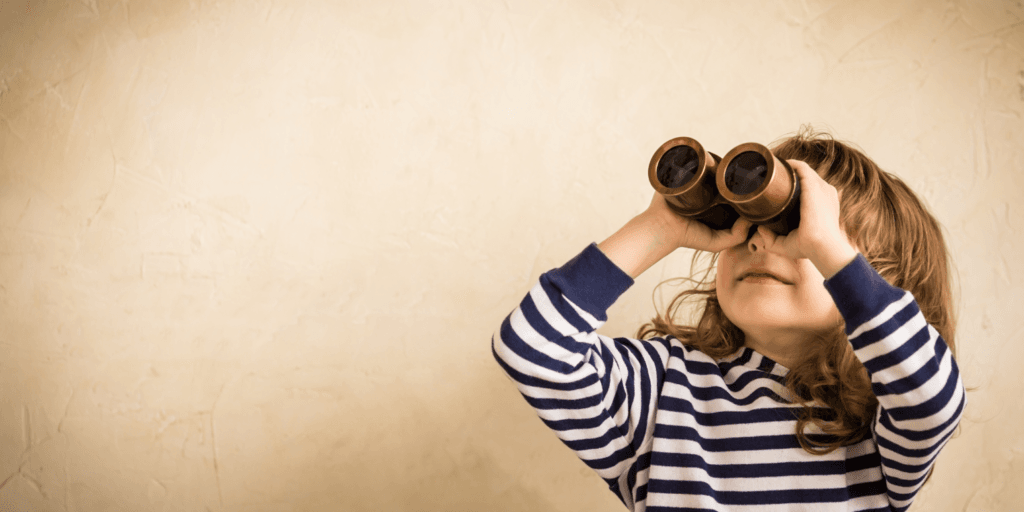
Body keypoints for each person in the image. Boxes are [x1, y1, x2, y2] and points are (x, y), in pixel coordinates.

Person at [491, 128, 965, 511]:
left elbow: (932, 401)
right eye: (747, 225)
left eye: (792, 227)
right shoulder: (664, 390)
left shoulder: (879, 418)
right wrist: (659, 228)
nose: (760, 242)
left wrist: (829, 249)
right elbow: (533, 350)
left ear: (876, 277)